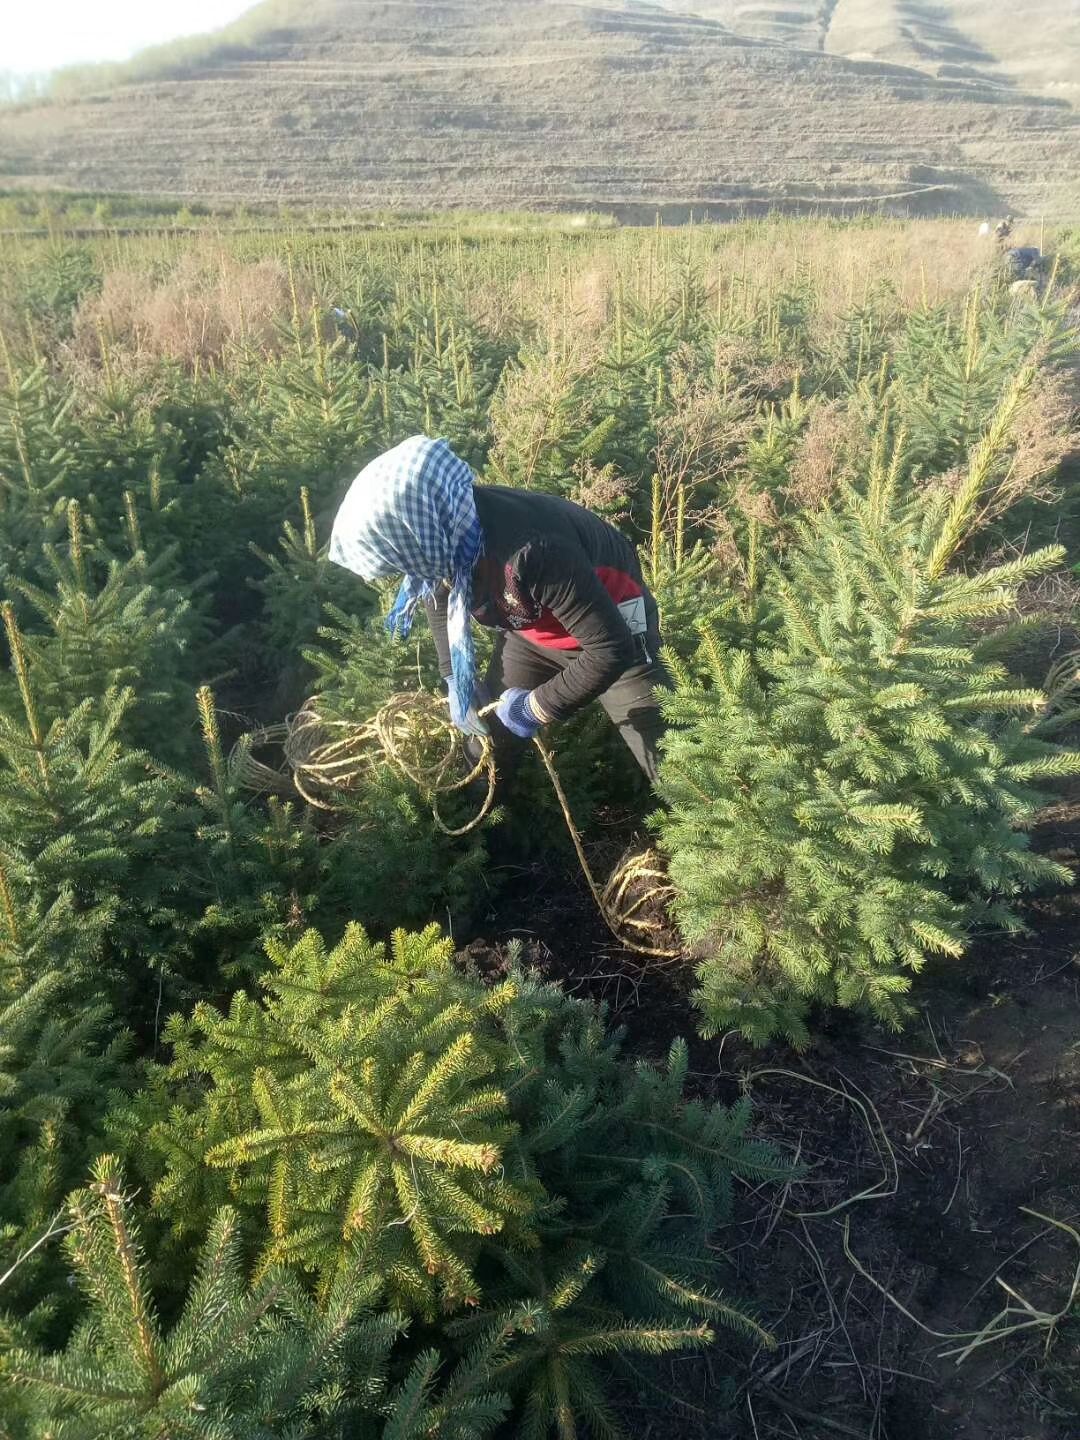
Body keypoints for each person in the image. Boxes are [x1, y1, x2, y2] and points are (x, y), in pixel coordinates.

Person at [328, 434, 669, 782]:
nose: (407, 574)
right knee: (485, 747)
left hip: (615, 630)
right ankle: (487, 826)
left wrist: (536, 707)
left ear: (421, 533)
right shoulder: (450, 537)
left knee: (672, 765)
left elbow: (610, 650)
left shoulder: (531, 550)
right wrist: (454, 676)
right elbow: (436, 590)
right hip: (534, 635)